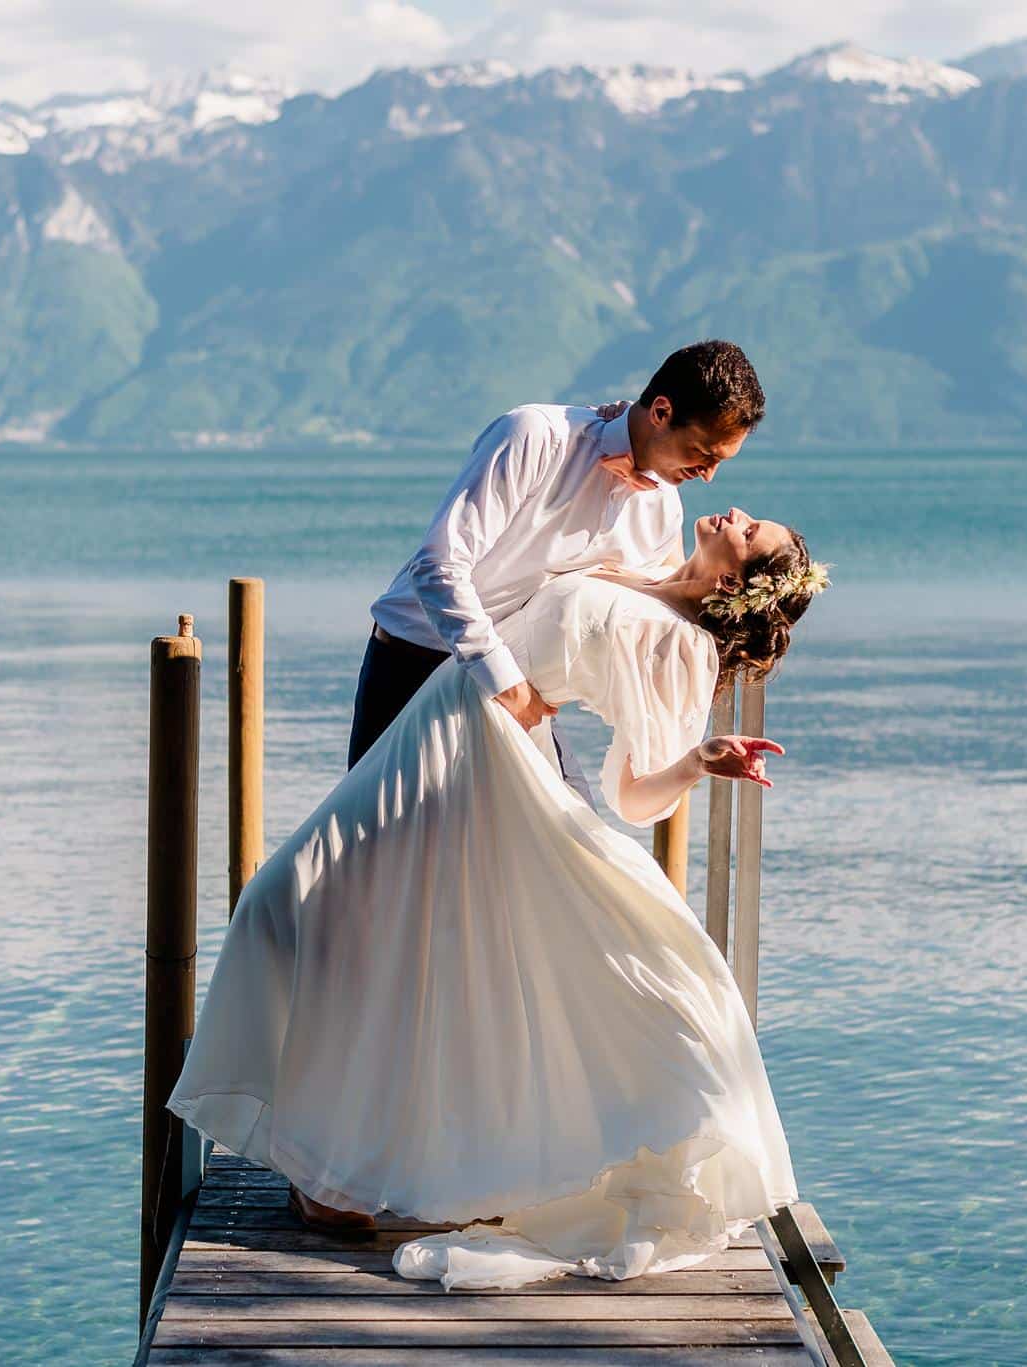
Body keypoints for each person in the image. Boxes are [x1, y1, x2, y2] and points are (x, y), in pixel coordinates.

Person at [168, 506, 830, 1290]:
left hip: (481, 757)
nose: (739, 514)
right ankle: (336, 1172)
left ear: (734, 578)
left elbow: (630, 789)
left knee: (296, 898)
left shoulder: (680, 643)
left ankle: (333, 1176)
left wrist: (696, 760)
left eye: (753, 533)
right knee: (324, 916)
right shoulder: (645, 567)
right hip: (441, 720)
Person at [349, 340, 768, 789]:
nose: (708, 475)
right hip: (414, 672)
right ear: (661, 412)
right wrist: (506, 684)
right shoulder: (535, 436)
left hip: (519, 695)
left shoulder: (662, 508)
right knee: (374, 851)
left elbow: (650, 608)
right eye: (703, 453)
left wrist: (697, 750)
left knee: (573, 838)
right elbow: (439, 567)